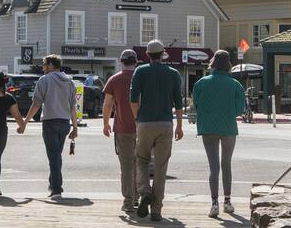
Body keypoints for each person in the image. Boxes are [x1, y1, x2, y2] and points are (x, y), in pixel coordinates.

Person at [129, 40, 184, 222]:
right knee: (161, 167)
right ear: (163, 54)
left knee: (142, 160)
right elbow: (178, 103)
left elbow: (133, 99)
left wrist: (137, 117)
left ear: (147, 54)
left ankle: (144, 192)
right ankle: (156, 210)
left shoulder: (140, 71)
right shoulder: (173, 73)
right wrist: (179, 126)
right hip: (165, 123)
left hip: (145, 122)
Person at [193, 49, 245, 217]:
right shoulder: (235, 85)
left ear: (213, 64)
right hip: (228, 128)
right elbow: (240, 109)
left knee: (213, 167)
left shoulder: (201, 83)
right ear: (228, 65)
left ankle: (214, 203)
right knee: (226, 164)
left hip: (207, 128)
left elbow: (196, 104)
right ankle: (227, 201)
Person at [24, 54, 78, 199]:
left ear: (51, 65)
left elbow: (36, 103)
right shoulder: (69, 82)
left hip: (50, 122)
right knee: (56, 155)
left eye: (44, 65)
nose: (43, 68)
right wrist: (75, 127)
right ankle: (53, 183)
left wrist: (25, 122)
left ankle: (56, 188)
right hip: (65, 123)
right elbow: (73, 106)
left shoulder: (45, 80)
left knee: (53, 156)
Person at [102, 49, 139, 213]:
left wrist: (106, 123)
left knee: (126, 166)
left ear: (121, 61)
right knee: (140, 164)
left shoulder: (114, 79)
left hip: (123, 128)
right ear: (136, 62)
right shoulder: (141, 77)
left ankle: (128, 201)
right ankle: (138, 196)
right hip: (142, 127)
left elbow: (108, 104)